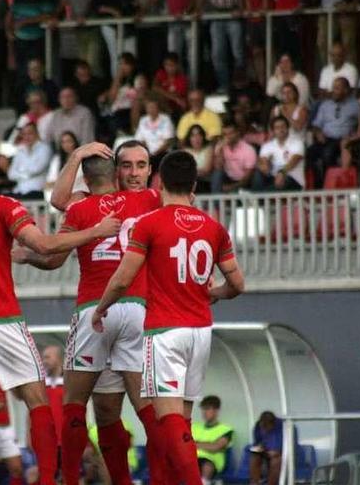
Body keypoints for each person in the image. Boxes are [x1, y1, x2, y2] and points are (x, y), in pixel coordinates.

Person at [0, 139, 122, 485]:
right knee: (38, 400)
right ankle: (49, 480)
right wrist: (96, 231)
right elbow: (45, 245)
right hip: (0, 319)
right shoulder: (5, 206)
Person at [14, 144, 168, 485]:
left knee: (73, 404)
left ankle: (68, 479)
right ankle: (160, 476)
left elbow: (53, 257)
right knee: (123, 409)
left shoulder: (81, 209)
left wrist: (26, 257)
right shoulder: (146, 201)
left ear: (85, 178)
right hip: (137, 309)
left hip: (93, 311)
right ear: (117, 174)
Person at [91, 150, 245, 484]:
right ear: (193, 186)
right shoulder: (214, 228)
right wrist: (213, 293)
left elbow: (121, 278)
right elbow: (237, 284)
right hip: (201, 332)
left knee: (168, 421)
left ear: (159, 183)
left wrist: (101, 308)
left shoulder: (150, 224)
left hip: (165, 332)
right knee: (183, 421)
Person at [307, 78, 359, 187]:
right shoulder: (325, 105)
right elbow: (316, 125)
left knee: (327, 154)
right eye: (333, 88)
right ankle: (316, 186)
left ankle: (328, 186)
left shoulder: (355, 105)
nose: (333, 91)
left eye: (337, 88)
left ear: (345, 90)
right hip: (325, 138)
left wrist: (354, 134)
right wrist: (318, 133)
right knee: (308, 153)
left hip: (342, 140)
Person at [199, 0, 245, 94]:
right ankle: (224, 85)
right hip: (216, 15)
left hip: (234, 12)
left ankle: (240, 85)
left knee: (238, 52)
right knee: (217, 54)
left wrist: (242, 8)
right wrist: (199, 9)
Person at [7, 0, 58, 76]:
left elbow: (49, 15)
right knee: (21, 71)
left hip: (38, 40)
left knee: (37, 70)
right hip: (19, 40)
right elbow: (10, 15)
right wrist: (8, 31)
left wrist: (25, 21)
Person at [253, 116, 305, 191]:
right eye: (277, 127)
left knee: (282, 179)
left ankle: (255, 198)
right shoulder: (267, 146)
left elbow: (294, 161)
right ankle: (257, 197)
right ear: (273, 131)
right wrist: (265, 165)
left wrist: (282, 172)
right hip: (274, 178)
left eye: (283, 126)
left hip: (293, 180)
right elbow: (262, 162)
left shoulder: (297, 143)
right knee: (258, 173)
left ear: (288, 128)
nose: (280, 129)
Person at [8, 123, 53, 200]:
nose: (27, 137)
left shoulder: (45, 148)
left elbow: (36, 169)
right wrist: (26, 174)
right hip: (20, 191)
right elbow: (11, 174)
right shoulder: (20, 150)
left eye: (30, 133)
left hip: (37, 192)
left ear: (37, 134)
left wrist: (20, 172)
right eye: (24, 134)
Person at [193, 395, 233, 481]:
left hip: (211, 461)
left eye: (207, 409)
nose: (204, 412)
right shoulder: (194, 427)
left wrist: (196, 443)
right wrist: (207, 444)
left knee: (207, 465)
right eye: (203, 409)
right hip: (192, 459)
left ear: (216, 411)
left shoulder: (226, 430)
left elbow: (216, 447)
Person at [211, 121, 257, 193]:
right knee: (217, 174)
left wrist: (231, 187)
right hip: (228, 178)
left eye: (230, 133)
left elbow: (247, 179)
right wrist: (219, 150)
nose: (228, 137)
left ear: (237, 133)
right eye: (225, 134)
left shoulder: (248, 149)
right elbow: (218, 167)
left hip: (243, 182)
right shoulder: (222, 146)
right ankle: (216, 202)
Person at [249, 411, 283, 485]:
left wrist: (278, 451)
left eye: (266, 427)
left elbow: (290, 445)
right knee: (255, 457)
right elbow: (257, 441)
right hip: (266, 452)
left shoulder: (285, 426)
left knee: (275, 461)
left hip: (283, 455)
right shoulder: (258, 426)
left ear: (272, 425)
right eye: (262, 427)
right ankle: (254, 483)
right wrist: (259, 447)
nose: (264, 430)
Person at [182, 124, 213, 192]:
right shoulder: (186, 151)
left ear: (203, 137)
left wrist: (191, 171)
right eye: (193, 135)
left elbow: (207, 170)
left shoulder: (208, 149)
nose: (196, 138)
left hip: (205, 181)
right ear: (189, 138)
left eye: (199, 135)